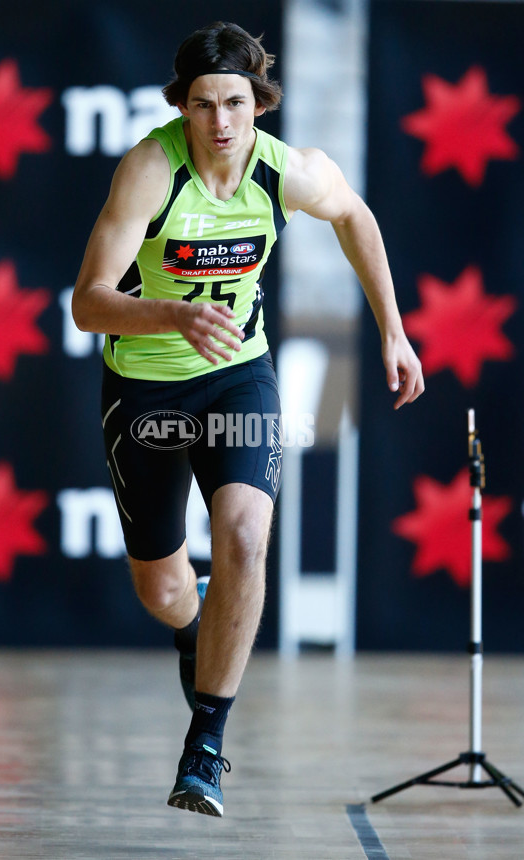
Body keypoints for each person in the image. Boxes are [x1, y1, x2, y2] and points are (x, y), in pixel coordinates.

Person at [72, 21, 424, 817]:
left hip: (239, 381)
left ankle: (205, 747)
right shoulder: (151, 170)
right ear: (183, 109)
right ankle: (194, 624)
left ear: (259, 105)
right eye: (203, 105)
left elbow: (355, 218)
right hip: (149, 391)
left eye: (235, 102)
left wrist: (394, 332)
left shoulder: (286, 170)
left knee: (243, 538)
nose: (221, 122)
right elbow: (88, 305)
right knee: (162, 589)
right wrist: (169, 314)